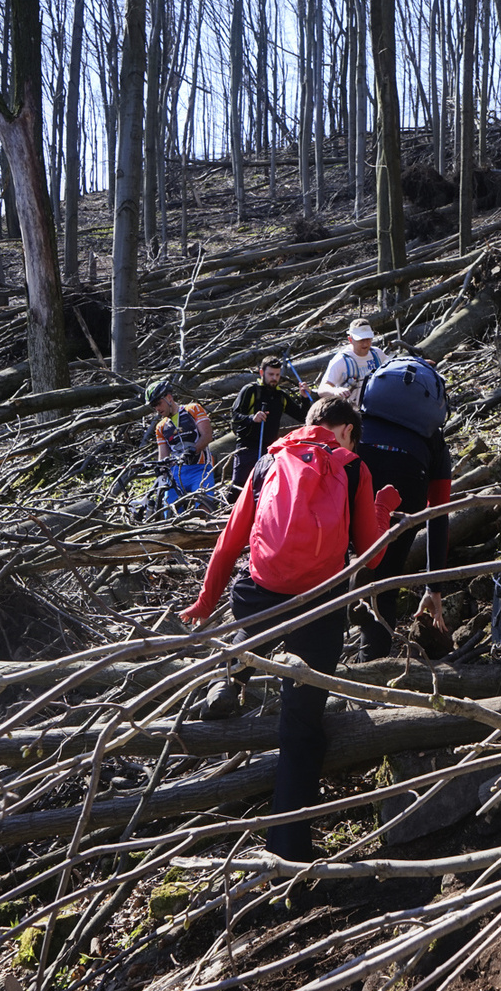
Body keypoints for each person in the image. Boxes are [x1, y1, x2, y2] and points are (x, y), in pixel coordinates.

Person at [179, 397, 400, 862]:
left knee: (253, 612)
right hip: (319, 602)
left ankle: (234, 669)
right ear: (342, 431)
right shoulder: (354, 468)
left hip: (259, 593)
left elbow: (230, 541)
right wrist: (384, 508)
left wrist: (205, 600)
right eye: (351, 436)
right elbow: (370, 556)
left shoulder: (267, 460)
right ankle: (290, 851)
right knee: (301, 729)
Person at [354, 357, 454, 661]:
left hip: (358, 467)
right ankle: (370, 666)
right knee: (385, 580)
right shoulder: (434, 440)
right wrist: (433, 586)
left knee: (340, 559)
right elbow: (437, 515)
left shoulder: (360, 422)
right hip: (409, 482)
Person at [231, 356, 312, 488]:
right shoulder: (250, 390)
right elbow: (235, 416)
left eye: (277, 375)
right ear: (262, 373)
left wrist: (304, 398)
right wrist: (252, 418)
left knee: (264, 487)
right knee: (239, 487)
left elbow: (303, 417)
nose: (274, 378)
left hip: (269, 449)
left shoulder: (281, 396)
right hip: (247, 447)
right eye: (270, 374)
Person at [147, 379, 215, 508]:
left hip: (200, 470)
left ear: (169, 398)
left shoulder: (193, 409)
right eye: (153, 406)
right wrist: (161, 470)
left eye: (158, 403)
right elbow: (163, 456)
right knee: (170, 514)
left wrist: (192, 450)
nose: (157, 409)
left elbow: (207, 436)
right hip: (176, 474)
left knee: (204, 509)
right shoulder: (160, 427)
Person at [316, 318, 387, 408]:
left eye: (368, 339)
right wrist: (335, 391)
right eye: (361, 340)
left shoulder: (377, 354)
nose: (365, 344)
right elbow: (322, 390)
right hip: (352, 412)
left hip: (377, 407)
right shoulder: (341, 360)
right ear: (350, 339)